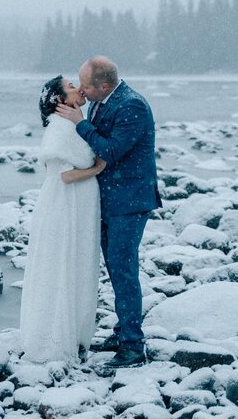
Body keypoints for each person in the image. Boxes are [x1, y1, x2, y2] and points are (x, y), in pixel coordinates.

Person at [55, 55, 160, 368]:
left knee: (124, 271)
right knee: (116, 270)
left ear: (103, 85)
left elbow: (111, 150)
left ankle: (132, 347)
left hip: (129, 202)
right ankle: (122, 331)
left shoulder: (132, 106)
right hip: (109, 200)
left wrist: (79, 124)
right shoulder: (101, 102)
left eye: (85, 84)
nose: (82, 91)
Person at [19, 75, 107, 363]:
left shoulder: (75, 124)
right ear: (59, 101)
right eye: (71, 87)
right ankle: (53, 338)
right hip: (64, 206)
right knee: (62, 264)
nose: (79, 89)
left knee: (78, 264)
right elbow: (64, 175)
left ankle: (76, 335)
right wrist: (96, 169)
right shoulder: (59, 129)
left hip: (79, 205)